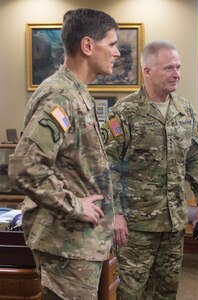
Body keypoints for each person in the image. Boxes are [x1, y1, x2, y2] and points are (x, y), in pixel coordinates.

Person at [8, 8, 120, 299]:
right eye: (111, 44)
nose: (118, 53)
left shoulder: (77, 92)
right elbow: (25, 166)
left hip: (78, 241)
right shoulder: (61, 96)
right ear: (87, 46)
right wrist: (75, 205)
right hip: (66, 240)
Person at [101, 40, 198, 299]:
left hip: (173, 223)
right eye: (168, 68)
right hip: (135, 226)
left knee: (166, 292)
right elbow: (108, 166)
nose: (177, 74)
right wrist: (114, 213)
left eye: (178, 67)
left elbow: (196, 158)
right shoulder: (124, 112)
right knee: (131, 293)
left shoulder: (185, 111)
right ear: (147, 71)